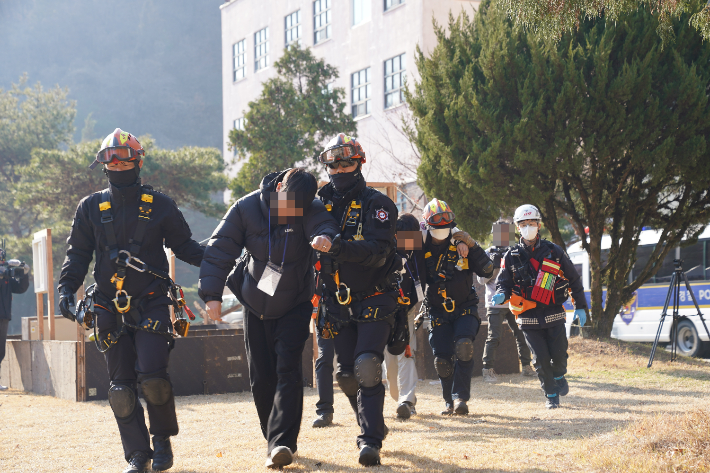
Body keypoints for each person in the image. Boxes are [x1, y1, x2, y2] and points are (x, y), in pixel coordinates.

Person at [57, 128, 205, 473]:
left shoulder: (162, 205)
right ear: (103, 165)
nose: (119, 164)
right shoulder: (90, 207)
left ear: (138, 163)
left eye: (126, 159)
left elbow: (187, 248)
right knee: (120, 388)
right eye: (112, 159)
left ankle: (162, 440)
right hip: (108, 303)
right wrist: (66, 289)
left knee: (153, 376)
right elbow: (77, 255)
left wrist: (226, 256)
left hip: (152, 300)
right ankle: (138, 455)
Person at [198, 167, 339, 469]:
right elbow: (220, 248)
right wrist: (211, 294)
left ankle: (283, 442)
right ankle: (272, 439)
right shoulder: (246, 208)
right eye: (288, 202)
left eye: (299, 207)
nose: (292, 210)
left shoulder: (308, 207)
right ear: (278, 188)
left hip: (295, 302)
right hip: (255, 303)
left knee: (287, 369)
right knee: (262, 377)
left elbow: (324, 223)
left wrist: (325, 237)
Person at [314, 133, 401, 466]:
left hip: (375, 297)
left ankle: (370, 441)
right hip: (335, 301)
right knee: (346, 375)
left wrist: (338, 247)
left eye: (346, 162)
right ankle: (373, 423)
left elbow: (380, 251)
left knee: (367, 366)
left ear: (360, 163)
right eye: (332, 164)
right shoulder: (318, 203)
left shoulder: (378, 204)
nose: (339, 169)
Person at [493, 204, 587, 409]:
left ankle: (560, 374)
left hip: (553, 313)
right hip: (528, 317)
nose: (528, 227)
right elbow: (504, 282)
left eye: (532, 223)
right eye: (524, 224)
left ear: (539, 225)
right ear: (518, 227)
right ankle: (551, 396)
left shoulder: (554, 251)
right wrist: (501, 293)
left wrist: (581, 306)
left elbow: (573, 278)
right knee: (540, 360)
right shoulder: (510, 256)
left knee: (559, 355)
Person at [420, 199, 494, 416]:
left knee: (463, 346)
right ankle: (448, 401)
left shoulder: (462, 241)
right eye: (437, 223)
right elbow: (399, 244)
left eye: (447, 223)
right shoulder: (419, 243)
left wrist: (473, 245)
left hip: (465, 307)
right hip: (437, 309)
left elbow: (488, 270)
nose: (442, 228)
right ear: (427, 224)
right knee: (442, 358)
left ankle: (461, 397)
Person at [479, 221, 535, 382]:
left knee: (522, 333)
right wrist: (492, 267)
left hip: (514, 300)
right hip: (494, 302)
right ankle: (487, 370)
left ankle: (526, 367)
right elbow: (481, 280)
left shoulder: (516, 252)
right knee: (494, 336)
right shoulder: (487, 253)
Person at [382, 213, 422, 420]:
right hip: (384, 310)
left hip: (406, 312)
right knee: (389, 359)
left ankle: (407, 401)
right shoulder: (387, 248)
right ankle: (398, 397)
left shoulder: (419, 249)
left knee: (407, 353)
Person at [0, 247, 30, 390]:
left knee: (0, 351)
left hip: (3, 317)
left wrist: (24, 272)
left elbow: (20, 288)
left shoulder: (6, 276)